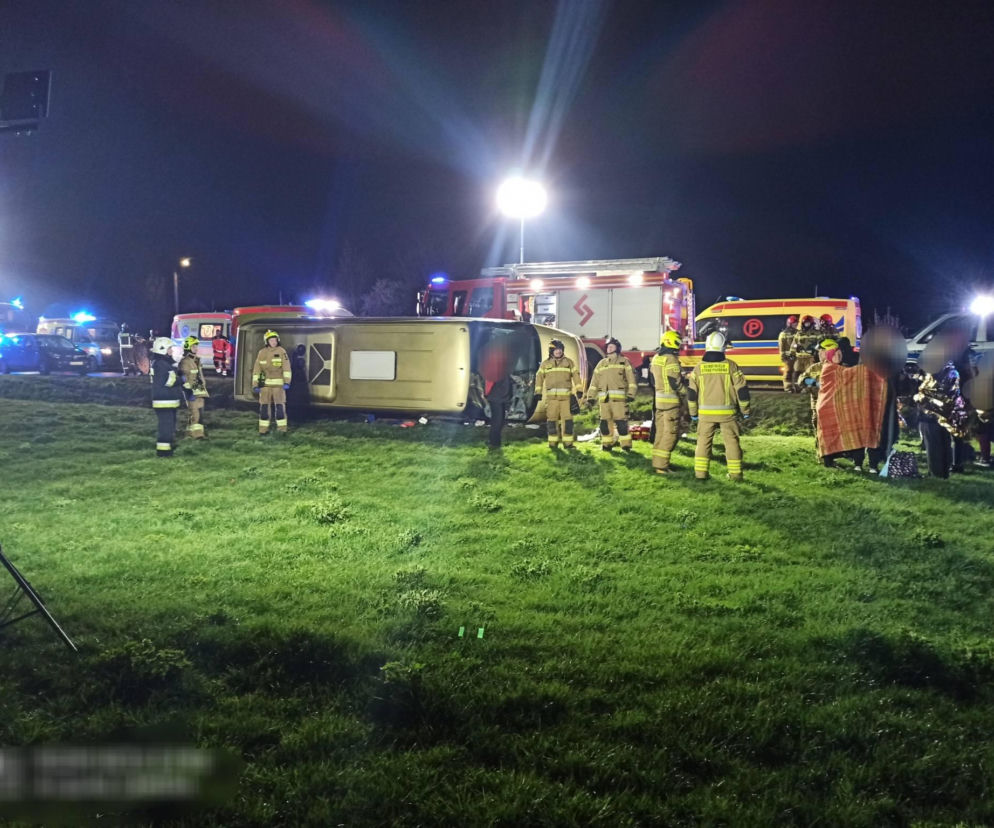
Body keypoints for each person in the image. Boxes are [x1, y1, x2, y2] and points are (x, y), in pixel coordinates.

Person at [687, 332, 750, 480]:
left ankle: (701, 475)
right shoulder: (731, 366)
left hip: (705, 414)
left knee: (703, 442)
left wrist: (693, 413)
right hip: (728, 414)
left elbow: (691, 393)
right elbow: (742, 390)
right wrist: (745, 410)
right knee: (732, 442)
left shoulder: (698, 368)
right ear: (723, 347)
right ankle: (735, 475)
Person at [585, 337, 637, 451]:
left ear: (617, 348)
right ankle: (607, 446)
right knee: (605, 425)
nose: (609, 348)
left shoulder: (624, 362)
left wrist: (631, 394)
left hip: (619, 401)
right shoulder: (601, 364)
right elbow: (594, 382)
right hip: (604, 400)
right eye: (608, 346)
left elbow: (631, 380)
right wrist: (590, 397)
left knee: (622, 424)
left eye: (612, 346)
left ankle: (626, 446)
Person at [534, 338, 583, 449]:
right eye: (556, 349)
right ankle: (553, 443)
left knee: (568, 421)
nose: (558, 351)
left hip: (566, 398)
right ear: (551, 351)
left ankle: (568, 444)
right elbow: (539, 378)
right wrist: (538, 392)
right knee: (552, 421)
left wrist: (579, 390)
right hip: (552, 399)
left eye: (560, 349)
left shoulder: (569, 362)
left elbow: (576, 376)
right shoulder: (545, 364)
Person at [649, 330, 686, 473]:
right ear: (672, 341)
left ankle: (658, 463)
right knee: (670, 434)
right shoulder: (671, 359)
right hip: (671, 404)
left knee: (660, 433)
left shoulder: (656, 357)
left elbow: (652, 380)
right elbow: (674, 382)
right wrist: (686, 393)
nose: (680, 346)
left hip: (659, 402)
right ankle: (662, 467)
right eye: (678, 342)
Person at [251, 329, 292, 435]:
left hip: (279, 386)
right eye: (271, 340)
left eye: (275, 340)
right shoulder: (262, 353)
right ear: (267, 341)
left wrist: (287, 382)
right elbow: (257, 369)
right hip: (264, 386)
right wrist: (255, 384)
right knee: (264, 408)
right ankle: (263, 430)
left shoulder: (282, 351)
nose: (273, 342)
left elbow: (287, 368)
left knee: (280, 408)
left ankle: (282, 429)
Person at [150, 337, 183, 457]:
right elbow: (169, 381)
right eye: (170, 349)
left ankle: (169, 447)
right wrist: (181, 379)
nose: (171, 351)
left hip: (167, 401)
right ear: (162, 349)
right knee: (166, 427)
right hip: (164, 401)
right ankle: (163, 452)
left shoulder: (162, 363)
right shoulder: (161, 365)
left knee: (170, 426)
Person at [178, 335, 209, 439]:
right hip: (191, 391)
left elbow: (199, 376)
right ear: (188, 347)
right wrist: (188, 392)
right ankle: (196, 435)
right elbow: (183, 378)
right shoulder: (185, 361)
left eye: (196, 346)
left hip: (199, 389)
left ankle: (196, 434)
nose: (196, 348)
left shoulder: (197, 360)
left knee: (200, 413)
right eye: (194, 346)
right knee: (194, 413)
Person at [790, 315, 820, 382]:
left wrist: (817, 352)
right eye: (805, 323)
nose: (806, 324)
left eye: (808, 323)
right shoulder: (799, 333)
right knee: (797, 372)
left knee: (810, 373)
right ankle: (797, 386)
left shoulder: (817, 333)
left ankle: (809, 387)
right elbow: (794, 343)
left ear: (811, 323)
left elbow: (820, 344)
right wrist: (792, 353)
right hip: (799, 357)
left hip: (810, 357)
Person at [778, 315, 799, 392]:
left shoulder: (798, 332)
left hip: (797, 356)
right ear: (790, 323)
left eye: (796, 323)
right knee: (788, 373)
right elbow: (781, 347)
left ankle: (797, 387)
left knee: (797, 372)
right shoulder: (783, 334)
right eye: (794, 323)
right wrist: (783, 357)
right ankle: (788, 388)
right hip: (788, 357)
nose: (796, 325)